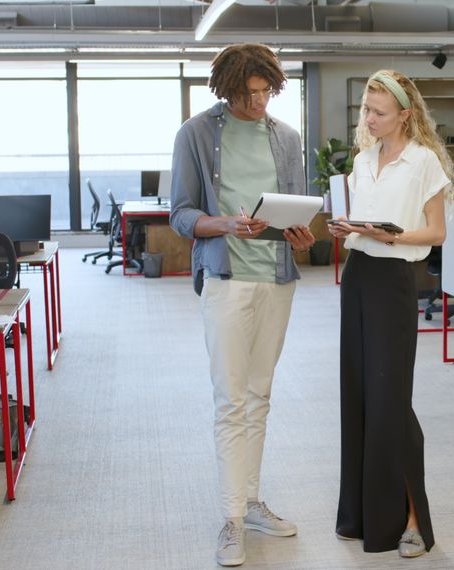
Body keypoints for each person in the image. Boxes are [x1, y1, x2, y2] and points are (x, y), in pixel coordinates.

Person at [169, 43, 316, 568]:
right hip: (227, 279)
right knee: (231, 400)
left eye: (266, 92)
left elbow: (297, 218)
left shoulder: (287, 138)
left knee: (260, 395)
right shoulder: (196, 134)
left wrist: (302, 238)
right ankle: (231, 519)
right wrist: (226, 224)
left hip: (277, 279)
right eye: (248, 94)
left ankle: (251, 503)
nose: (258, 103)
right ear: (227, 89)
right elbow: (182, 215)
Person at [328, 69, 454, 559]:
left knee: (391, 401)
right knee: (359, 396)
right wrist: (349, 229)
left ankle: (412, 521)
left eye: (379, 112)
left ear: (405, 113)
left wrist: (392, 235)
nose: (370, 119)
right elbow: (361, 220)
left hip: (394, 284)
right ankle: (363, 515)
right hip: (357, 276)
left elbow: (436, 232)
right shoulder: (363, 159)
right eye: (366, 110)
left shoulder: (424, 162)